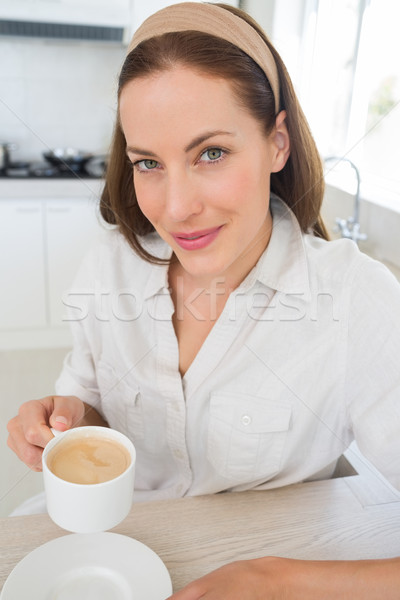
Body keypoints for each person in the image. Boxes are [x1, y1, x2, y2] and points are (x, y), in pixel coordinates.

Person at [7, 2, 400, 597]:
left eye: (210, 153)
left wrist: (281, 580)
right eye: (148, 163)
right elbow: (86, 404)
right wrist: (65, 423)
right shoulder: (108, 266)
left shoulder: (357, 299)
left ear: (276, 144)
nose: (175, 208)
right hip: (106, 557)